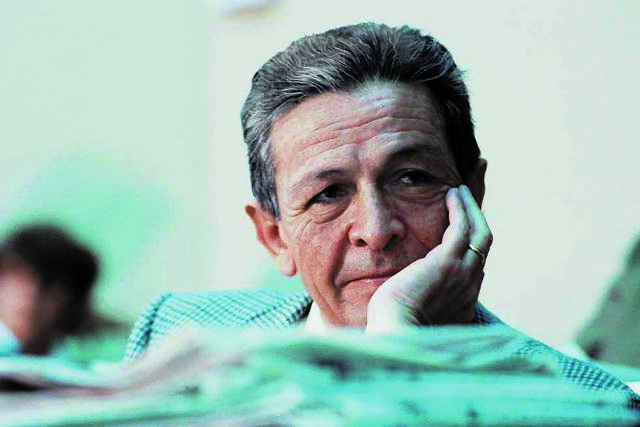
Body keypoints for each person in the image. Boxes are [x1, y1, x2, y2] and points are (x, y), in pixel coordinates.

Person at [125, 22, 639, 408]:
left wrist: (398, 336)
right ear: (274, 236)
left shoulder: (591, 404)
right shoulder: (175, 332)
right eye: (329, 194)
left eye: (411, 178)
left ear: (473, 193)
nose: (375, 230)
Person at [0, 223, 99, 355]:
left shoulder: (87, 361)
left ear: (72, 299)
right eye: (20, 279)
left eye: (48, 283)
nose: (32, 295)